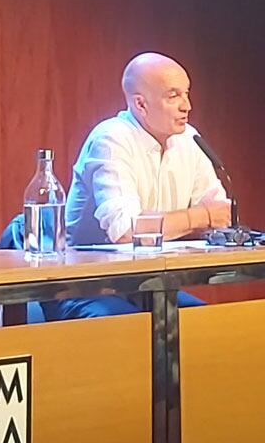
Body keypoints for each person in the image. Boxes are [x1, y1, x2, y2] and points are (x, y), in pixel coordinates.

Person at [49, 52, 231, 319]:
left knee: (210, 326)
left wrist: (197, 219)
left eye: (187, 93)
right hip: (86, 286)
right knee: (125, 332)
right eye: (173, 96)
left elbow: (221, 215)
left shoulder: (190, 140)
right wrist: (198, 217)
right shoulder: (111, 139)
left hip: (151, 284)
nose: (187, 106)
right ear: (140, 104)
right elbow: (125, 230)